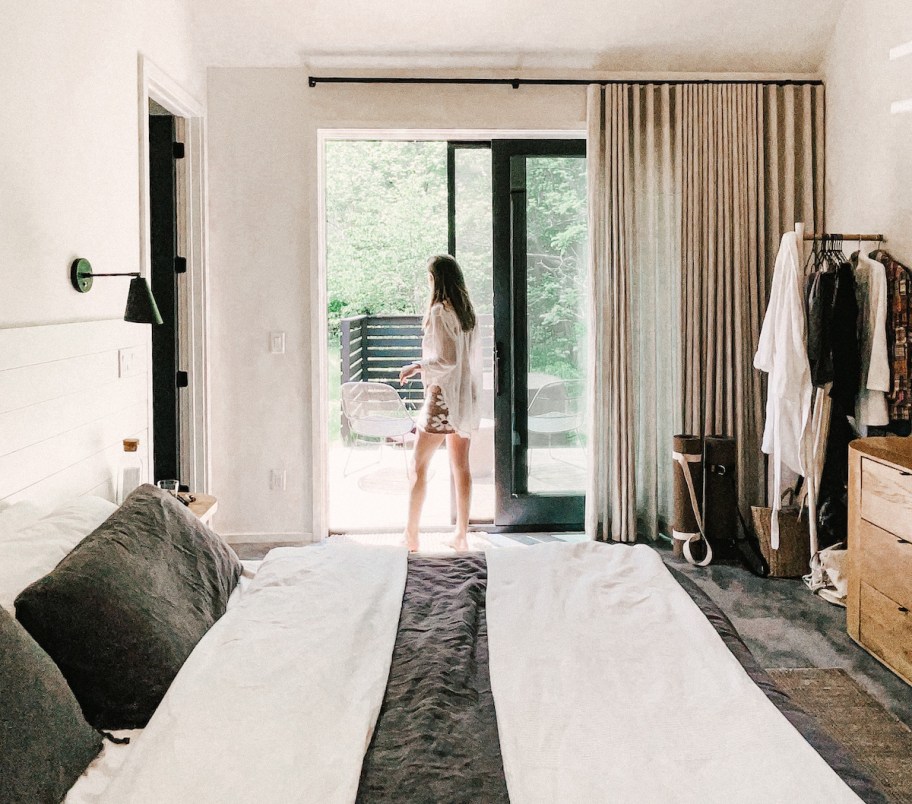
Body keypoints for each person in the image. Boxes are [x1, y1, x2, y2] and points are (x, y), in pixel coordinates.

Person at [399, 255, 482, 552]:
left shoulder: (438, 311)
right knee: (461, 466)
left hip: (444, 397)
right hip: (465, 396)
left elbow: (447, 359)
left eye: (430, 278)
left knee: (418, 465)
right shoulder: (467, 313)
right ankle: (461, 535)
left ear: (437, 280)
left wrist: (416, 366)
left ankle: (411, 536)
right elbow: (466, 361)